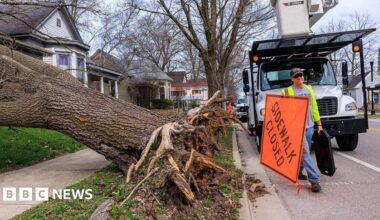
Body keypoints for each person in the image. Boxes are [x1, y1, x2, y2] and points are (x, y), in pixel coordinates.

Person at [281, 67, 323, 193]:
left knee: (304, 151)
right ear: (292, 79)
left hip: (309, 126)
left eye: (301, 75)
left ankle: (298, 172)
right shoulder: (287, 92)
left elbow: (314, 108)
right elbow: (284, 112)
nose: (300, 77)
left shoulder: (309, 89)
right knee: (305, 152)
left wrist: (319, 124)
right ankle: (314, 180)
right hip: (296, 128)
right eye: (296, 76)